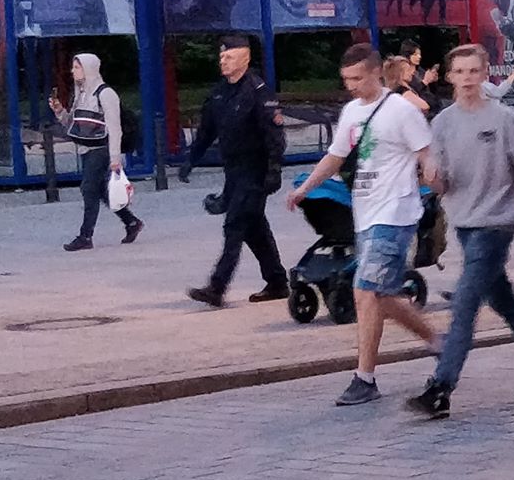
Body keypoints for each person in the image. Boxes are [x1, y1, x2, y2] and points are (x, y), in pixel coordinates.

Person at [407, 44, 514, 417]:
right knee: (502, 297)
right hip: (463, 222)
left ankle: (441, 387)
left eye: (474, 71)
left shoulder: (504, 118)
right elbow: (442, 183)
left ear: (485, 74)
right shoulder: (442, 123)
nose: (467, 79)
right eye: (460, 72)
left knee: (464, 303)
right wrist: (431, 177)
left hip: (496, 223)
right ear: (450, 77)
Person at [286, 44, 439, 405]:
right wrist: (305, 188)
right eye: (346, 79)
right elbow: (335, 156)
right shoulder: (352, 112)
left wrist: (435, 176)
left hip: (395, 213)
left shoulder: (402, 111)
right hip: (365, 214)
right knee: (382, 296)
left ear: (375, 73)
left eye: (357, 78)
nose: (351, 85)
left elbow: (426, 154)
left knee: (365, 290)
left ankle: (364, 378)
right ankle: (438, 341)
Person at [182, 34, 286, 306]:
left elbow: (274, 135)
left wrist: (274, 169)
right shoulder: (219, 92)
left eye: (229, 56)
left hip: (255, 169)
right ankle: (277, 282)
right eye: (221, 56)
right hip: (234, 171)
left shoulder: (258, 91)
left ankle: (216, 287)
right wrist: (191, 159)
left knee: (235, 224)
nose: (223, 61)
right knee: (254, 228)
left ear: (245, 58)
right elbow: (206, 131)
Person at [53, 52, 143, 251]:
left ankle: (85, 236)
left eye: (77, 67)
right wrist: (60, 111)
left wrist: (115, 157)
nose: (73, 71)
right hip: (86, 148)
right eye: (74, 67)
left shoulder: (105, 94)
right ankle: (131, 222)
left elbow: (115, 128)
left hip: (101, 149)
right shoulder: (80, 94)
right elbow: (74, 125)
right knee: (100, 190)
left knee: (88, 188)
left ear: (89, 68)